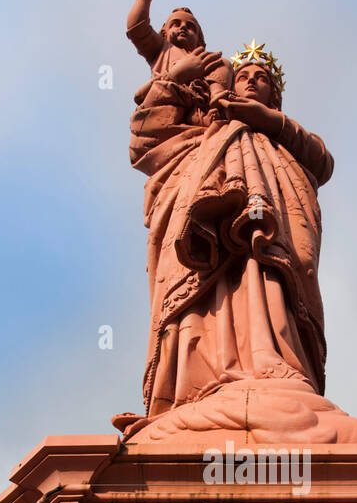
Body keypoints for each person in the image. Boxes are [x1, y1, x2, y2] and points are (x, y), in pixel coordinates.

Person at [125, 38, 334, 425]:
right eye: (245, 77)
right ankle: (198, 383)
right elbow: (144, 139)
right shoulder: (202, 132)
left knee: (270, 269)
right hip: (207, 230)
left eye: (263, 78)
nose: (253, 82)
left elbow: (322, 162)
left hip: (271, 227)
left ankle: (274, 362)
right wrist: (173, 79)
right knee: (208, 282)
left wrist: (270, 123)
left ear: (275, 96)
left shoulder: (282, 137)